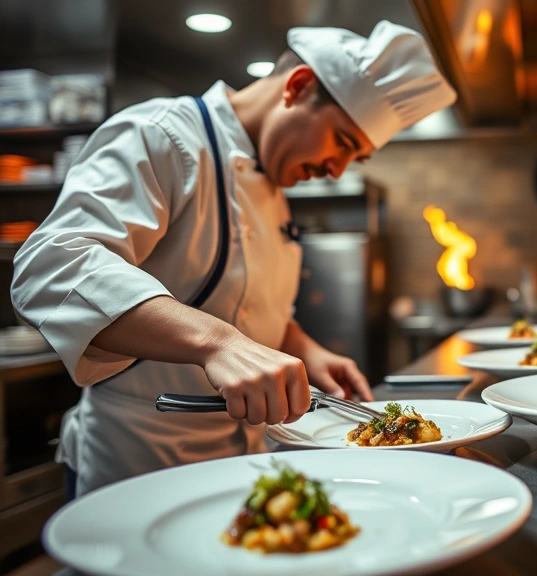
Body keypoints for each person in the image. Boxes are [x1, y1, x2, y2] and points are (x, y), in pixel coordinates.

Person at [11, 21, 456, 497]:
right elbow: (49, 267)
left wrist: (305, 349)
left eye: (356, 159)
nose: (336, 169)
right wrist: (216, 343)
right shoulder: (162, 135)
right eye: (343, 143)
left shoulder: (274, 182)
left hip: (245, 462)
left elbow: (241, 304)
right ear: (298, 86)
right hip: (141, 465)